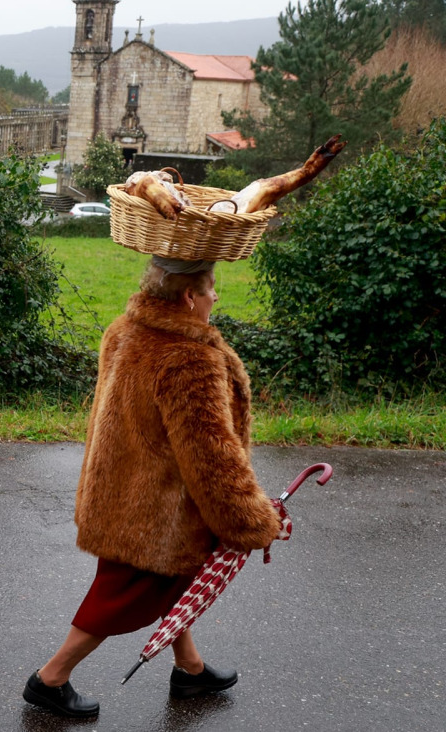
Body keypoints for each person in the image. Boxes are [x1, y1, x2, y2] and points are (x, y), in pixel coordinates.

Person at [22, 256, 287, 718]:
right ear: (188, 297)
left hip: (117, 490)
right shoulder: (188, 356)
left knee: (172, 581)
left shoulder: (126, 329)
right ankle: (51, 678)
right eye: (210, 289)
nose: (215, 297)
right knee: (122, 594)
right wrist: (252, 520)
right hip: (157, 510)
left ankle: (190, 669)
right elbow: (211, 456)